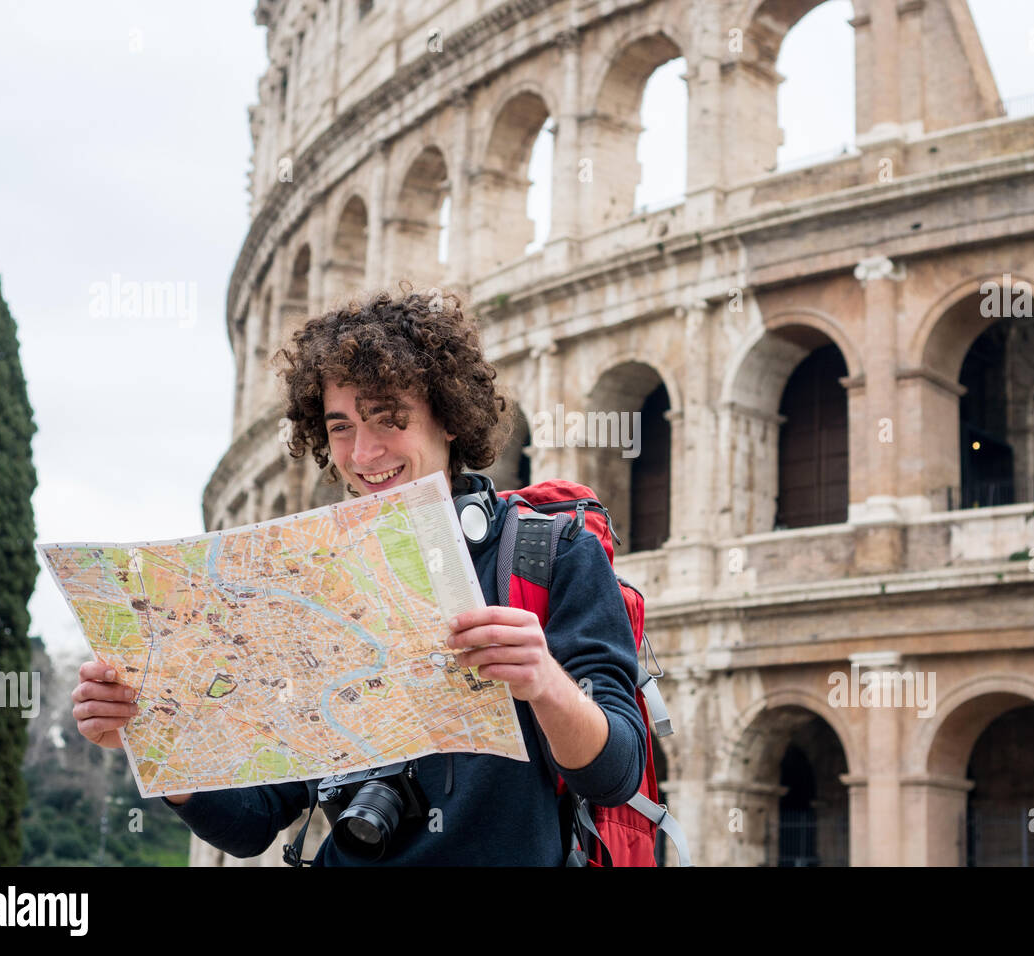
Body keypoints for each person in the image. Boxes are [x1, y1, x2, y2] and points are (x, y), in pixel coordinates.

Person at [71, 287, 646, 865]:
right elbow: (255, 822)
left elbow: (616, 772)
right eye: (341, 426)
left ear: (447, 418)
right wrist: (156, 740)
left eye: (389, 419)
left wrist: (546, 683)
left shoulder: (553, 553)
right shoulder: (309, 580)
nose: (364, 453)